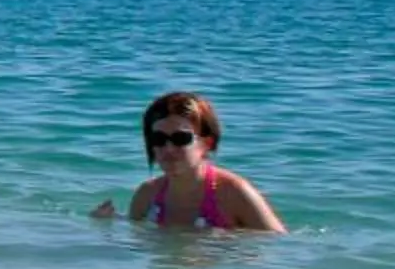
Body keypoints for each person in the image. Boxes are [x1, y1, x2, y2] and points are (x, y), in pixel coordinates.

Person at [92, 91, 282, 231]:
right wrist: (107, 225)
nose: (168, 149)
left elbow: (279, 250)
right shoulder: (147, 195)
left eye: (180, 139)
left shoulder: (234, 194)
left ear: (206, 143)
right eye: (158, 139)